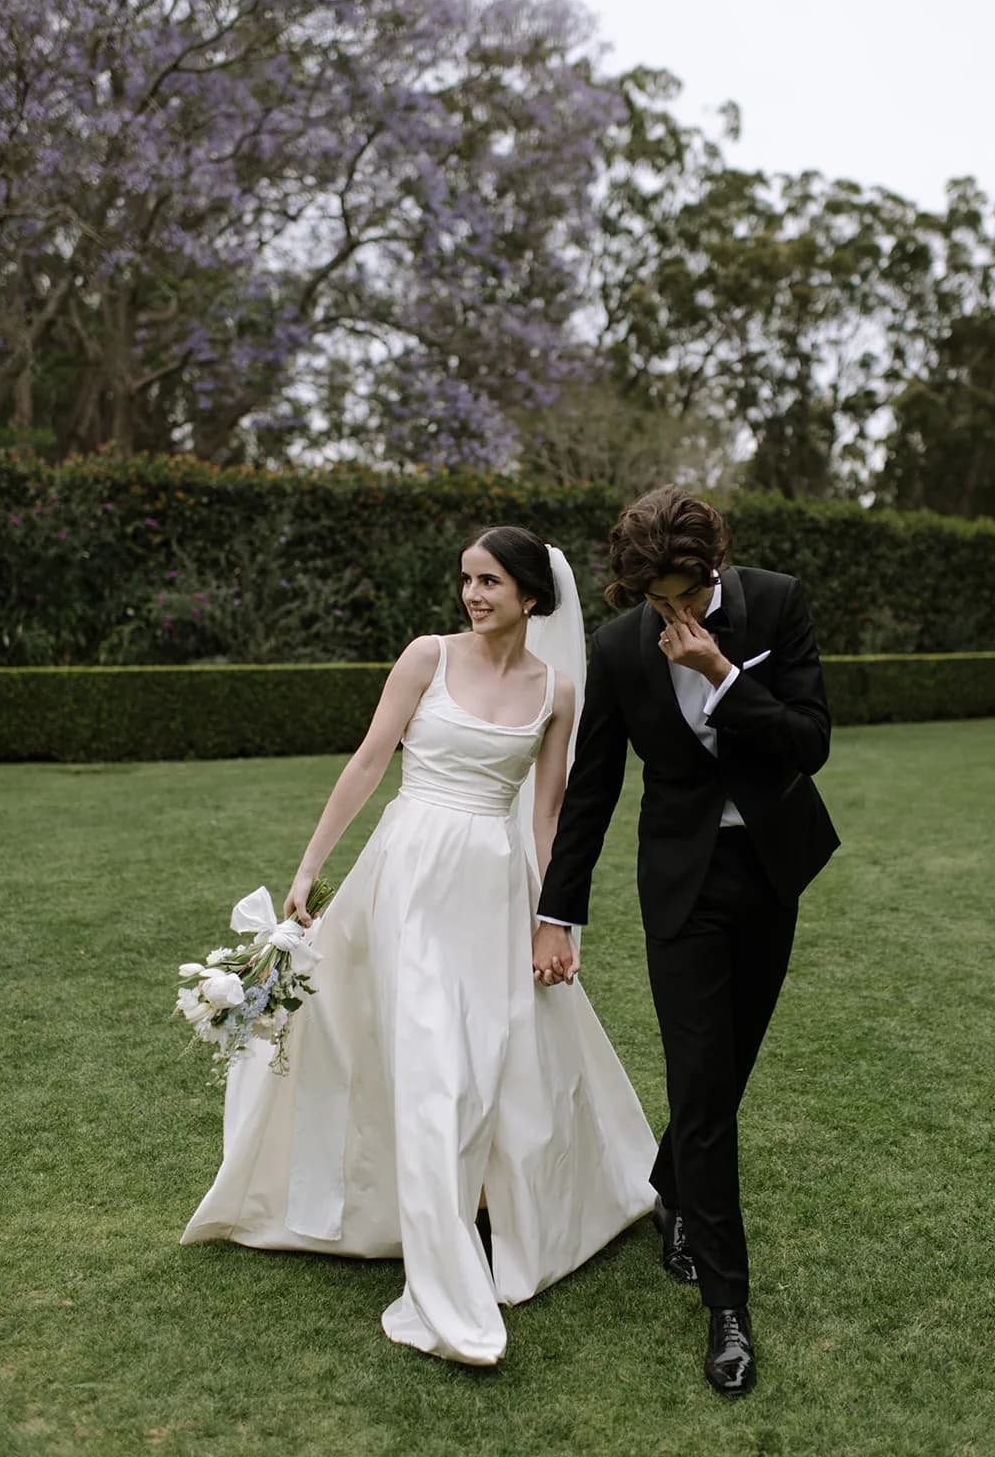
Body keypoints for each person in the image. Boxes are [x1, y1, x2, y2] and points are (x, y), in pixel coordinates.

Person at [182, 527, 656, 1366]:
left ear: (531, 597)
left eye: (491, 582)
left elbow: (547, 818)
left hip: (492, 889)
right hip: (405, 881)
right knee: (431, 1069)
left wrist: (557, 920)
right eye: (467, 578)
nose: (473, 594)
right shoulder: (426, 658)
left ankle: (485, 1210)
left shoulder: (559, 691)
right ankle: (441, 1282)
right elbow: (367, 763)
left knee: (487, 1063)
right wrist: (308, 870)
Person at [532, 486, 839, 1398]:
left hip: (770, 869)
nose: (675, 614)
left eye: (687, 595)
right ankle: (726, 1307)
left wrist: (721, 675)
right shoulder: (618, 647)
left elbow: (809, 742)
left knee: (726, 1072)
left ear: (714, 567)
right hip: (683, 888)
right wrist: (558, 910)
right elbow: (590, 792)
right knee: (701, 1086)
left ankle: (671, 1184)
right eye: (657, 599)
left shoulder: (775, 603)